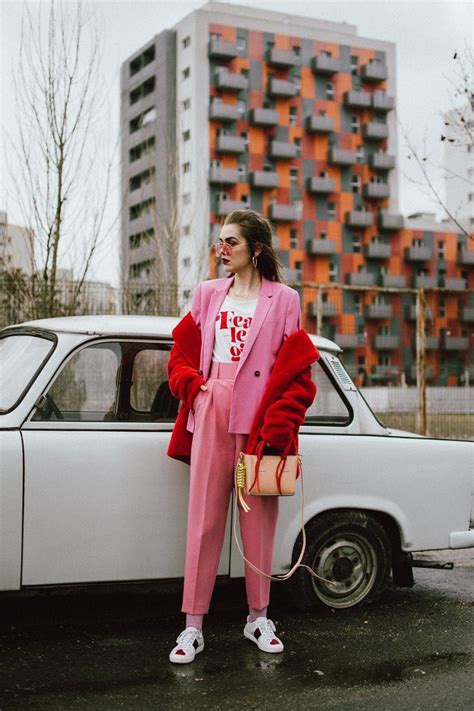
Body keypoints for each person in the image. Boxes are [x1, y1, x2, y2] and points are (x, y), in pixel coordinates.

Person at [166, 209, 319, 664]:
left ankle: (258, 616)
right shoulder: (207, 294)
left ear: (256, 248)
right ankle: (193, 626)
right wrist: (195, 391)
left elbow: (297, 371)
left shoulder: (284, 299)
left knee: (258, 521)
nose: (222, 249)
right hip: (212, 407)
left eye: (231, 242)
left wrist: (279, 426)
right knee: (204, 520)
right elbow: (181, 353)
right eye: (219, 241)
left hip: (260, 419)